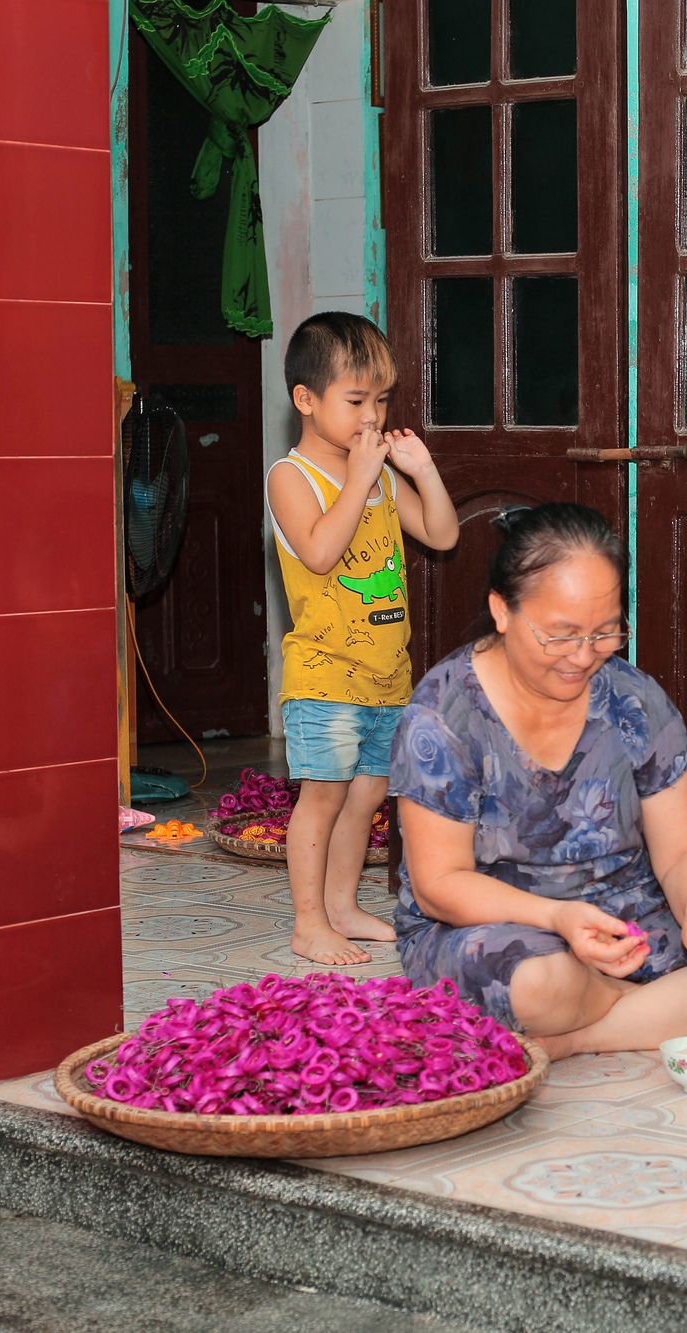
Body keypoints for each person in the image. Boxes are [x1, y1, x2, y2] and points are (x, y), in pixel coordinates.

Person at [390, 503, 687, 1058]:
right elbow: (439, 883)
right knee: (539, 987)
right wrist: (557, 917)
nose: (583, 657)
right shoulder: (444, 713)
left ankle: (578, 1038)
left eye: (605, 633)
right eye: (561, 635)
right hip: (502, 928)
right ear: (501, 611)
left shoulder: (633, 699)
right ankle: (655, 1010)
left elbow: (684, 850)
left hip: (629, 922)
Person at [267, 312, 460, 965]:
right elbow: (319, 551)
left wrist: (421, 470)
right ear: (306, 399)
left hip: (384, 673)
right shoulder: (292, 477)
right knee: (322, 795)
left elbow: (441, 533)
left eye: (381, 400)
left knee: (370, 793)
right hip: (324, 674)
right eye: (356, 401)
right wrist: (358, 477)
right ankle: (309, 921)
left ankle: (344, 906)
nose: (372, 416)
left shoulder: (376, 472)